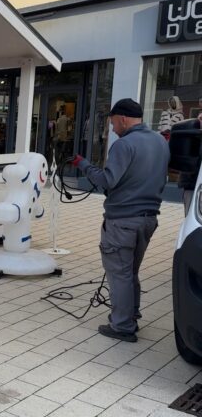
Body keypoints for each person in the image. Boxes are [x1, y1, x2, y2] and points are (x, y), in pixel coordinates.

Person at [70, 98, 169, 342]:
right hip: (149, 219)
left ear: (123, 119)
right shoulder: (159, 141)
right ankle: (131, 314)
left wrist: (83, 165)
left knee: (120, 274)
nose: (112, 129)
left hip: (123, 220)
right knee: (130, 271)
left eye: (113, 123)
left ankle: (122, 326)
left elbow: (107, 181)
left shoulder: (124, 145)